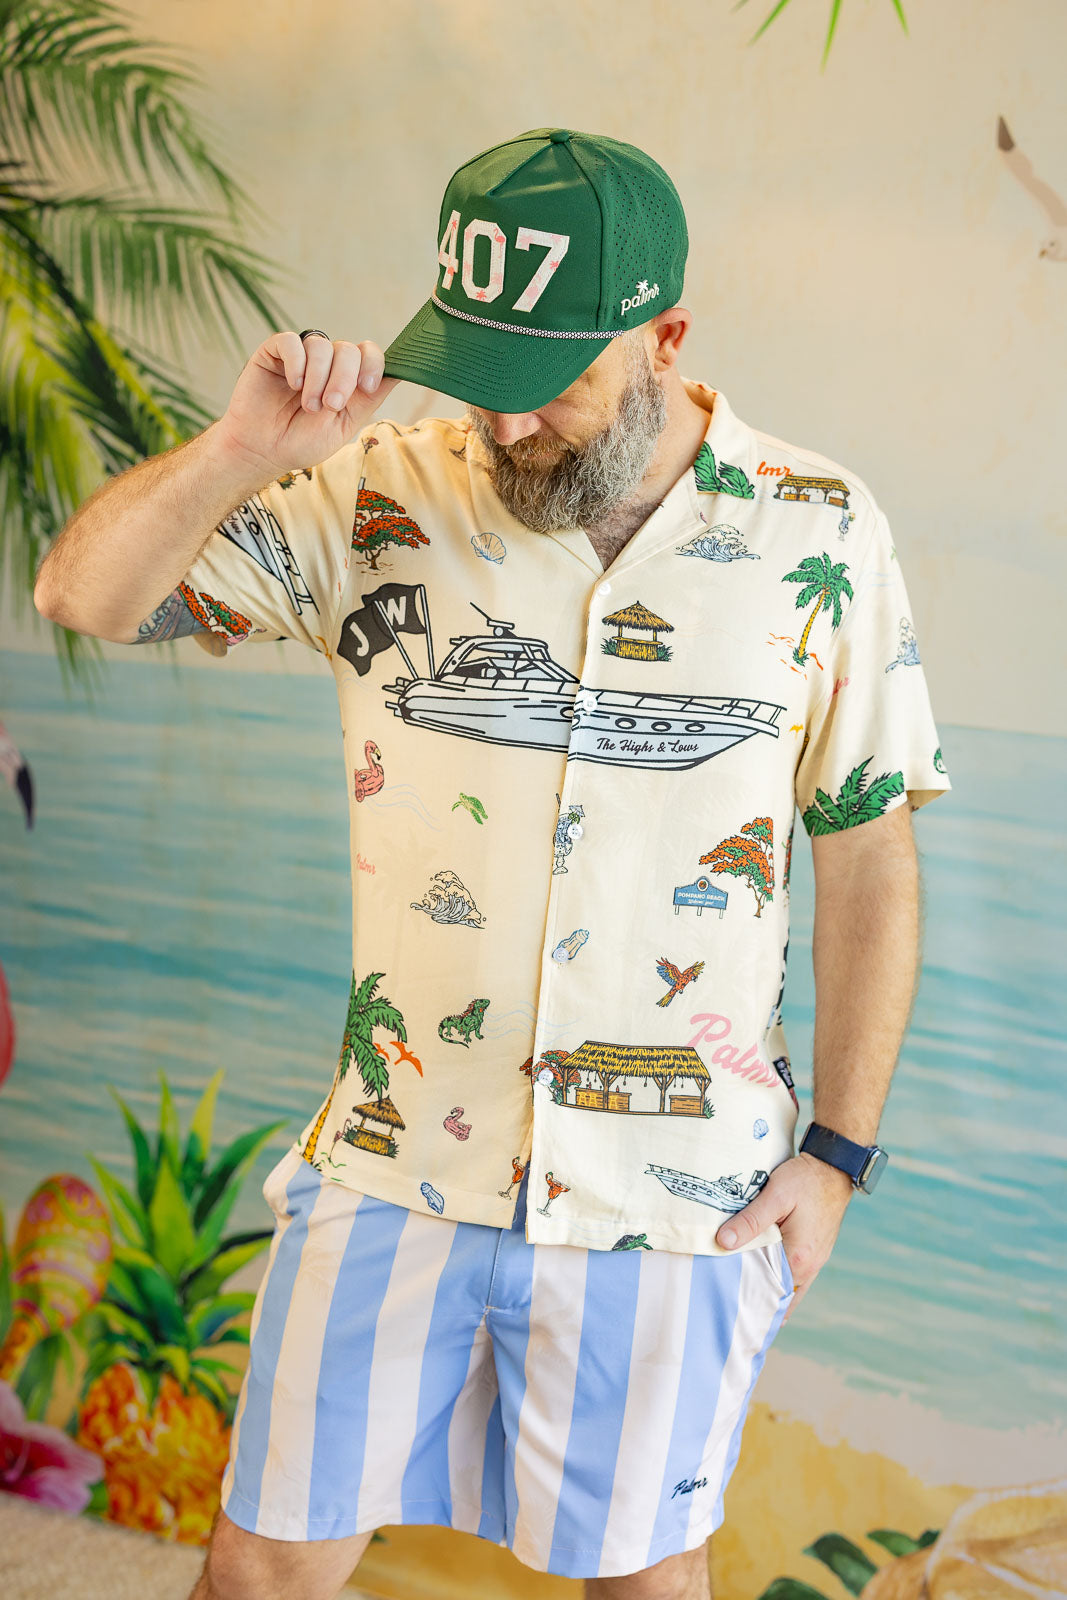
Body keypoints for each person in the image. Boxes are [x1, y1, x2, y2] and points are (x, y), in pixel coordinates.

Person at [34, 127, 950, 1600]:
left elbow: (870, 861)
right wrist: (243, 454)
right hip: (397, 1164)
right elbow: (81, 593)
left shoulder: (819, 532)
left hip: (676, 1201)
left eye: (552, 383)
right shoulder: (377, 490)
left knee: (644, 1587)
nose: (508, 424)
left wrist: (838, 1157)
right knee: (259, 1571)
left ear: (667, 334)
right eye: (483, 373)